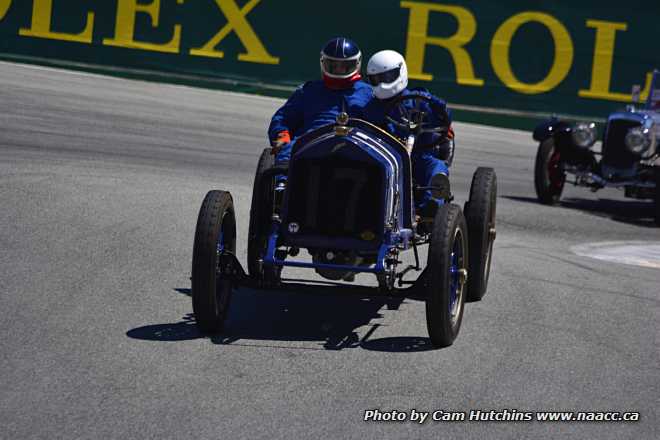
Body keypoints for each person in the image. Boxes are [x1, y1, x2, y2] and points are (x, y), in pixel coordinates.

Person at [363, 50, 455, 219]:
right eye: (377, 79)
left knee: (436, 166)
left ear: (400, 72)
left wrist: (436, 104)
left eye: (388, 77)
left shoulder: (419, 100)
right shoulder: (371, 106)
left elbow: (445, 117)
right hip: (385, 157)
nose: (383, 83)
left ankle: (430, 206)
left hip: (419, 155)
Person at [267, 37, 373, 166]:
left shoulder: (369, 93)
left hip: (356, 144)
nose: (339, 70)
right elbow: (283, 118)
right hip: (311, 142)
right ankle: (282, 184)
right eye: (333, 66)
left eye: (345, 66)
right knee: (290, 149)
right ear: (323, 63)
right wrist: (282, 134)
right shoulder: (308, 90)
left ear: (356, 64)